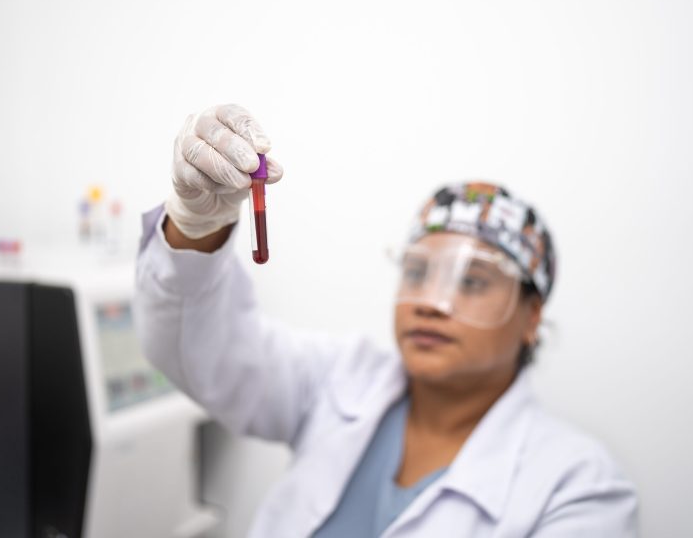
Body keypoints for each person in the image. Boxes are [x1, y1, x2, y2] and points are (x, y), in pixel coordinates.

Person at [134, 104, 638, 537]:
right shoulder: (342, 378)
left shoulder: (579, 488)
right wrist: (196, 227)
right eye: (418, 272)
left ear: (532, 317)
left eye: (473, 281)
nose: (432, 303)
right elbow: (197, 352)